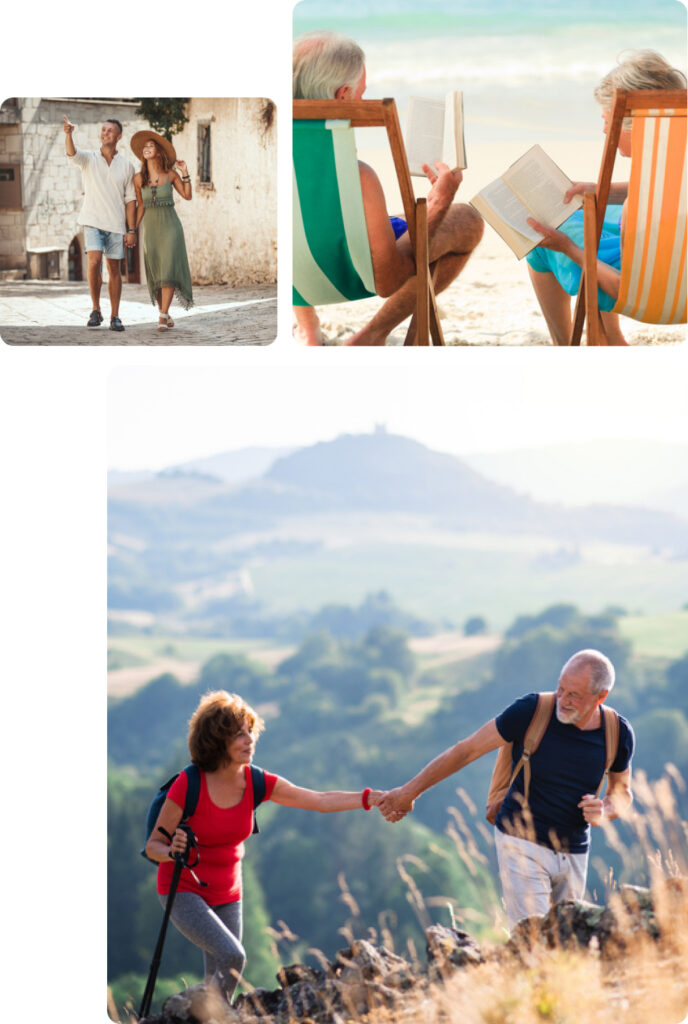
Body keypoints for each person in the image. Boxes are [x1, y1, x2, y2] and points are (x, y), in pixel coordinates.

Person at [145, 690, 382, 1003]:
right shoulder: (189, 784)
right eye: (238, 735)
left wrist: (370, 798)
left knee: (223, 978)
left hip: (230, 893)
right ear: (217, 741)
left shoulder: (257, 782)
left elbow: (319, 800)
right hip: (185, 891)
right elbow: (153, 846)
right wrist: (172, 852)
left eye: (250, 732)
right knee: (233, 957)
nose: (249, 740)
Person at [378, 649, 635, 930]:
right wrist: (408, 793)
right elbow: (466, 750)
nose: (563, 699)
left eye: (574, 695)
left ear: (601, 697)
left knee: (568, 947)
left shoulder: (617, 732)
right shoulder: (531, 711)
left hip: (574, 852)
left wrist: (605, 810)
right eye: (561, 688)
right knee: (533, 939)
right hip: (520, 841)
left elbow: (621, 794)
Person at [292, 31, 484, 345]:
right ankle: (371, 336)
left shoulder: (278, 157)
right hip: (346, 273)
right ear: (343, 96)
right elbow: (388, 280)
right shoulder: (358, 179)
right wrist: (439, 201)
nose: (363, 100)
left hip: (297, 280)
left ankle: (309, 329)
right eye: (361, 93)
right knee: (467, 221)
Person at [525, 50, 687, 346]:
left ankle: (565, 344)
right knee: (589, 215)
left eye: (607, 120)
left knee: (544, 236)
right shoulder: (677, 170)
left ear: (631, 123)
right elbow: (663, 195)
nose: (603, 130)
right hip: (678, 279)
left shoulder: (637, 211)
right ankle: (612, 337)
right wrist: (598, 189)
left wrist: (569, 248)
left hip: (655, 298)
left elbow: (622, 287)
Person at [64, 116, 137, 332]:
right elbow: (72, 154)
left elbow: (130, 200)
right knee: (94, 261)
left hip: (115, 224)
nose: (105, 133)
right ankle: (95, 309)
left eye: (110, 131)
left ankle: (115, 316)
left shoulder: (127, 165)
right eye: (103, 130)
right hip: (92, 220)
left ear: (119, 136)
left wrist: (131, 229)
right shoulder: (89, 158)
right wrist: (68, 134)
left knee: (114, 269)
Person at [131, 130, 194, 330]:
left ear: (158, 152)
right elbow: (140, 205)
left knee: (168, 269)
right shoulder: (138, 179)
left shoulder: (171, 174)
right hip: (150, 229)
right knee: (157, 274)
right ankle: (164, 313)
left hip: (171, 228)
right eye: (145, 147)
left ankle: (162, 316)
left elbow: (187, 195)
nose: (147, 149)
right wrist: (132, 229)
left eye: (151, 146)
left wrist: (184, 173)